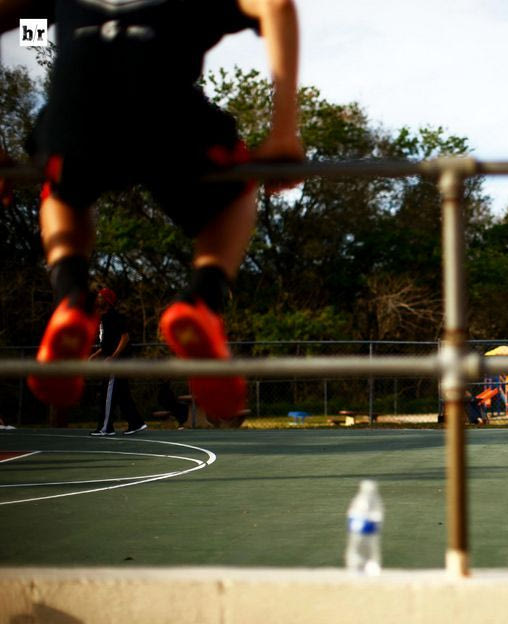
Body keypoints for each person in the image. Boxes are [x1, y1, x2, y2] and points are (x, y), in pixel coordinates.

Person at [0, 0, 303, 421]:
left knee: (62, 190)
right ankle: (203, 299)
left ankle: (71, 294)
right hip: (166, 111)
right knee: (236, 189)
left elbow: (19, 25)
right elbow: (277, 6)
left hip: (75, 117)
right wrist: (283, 131)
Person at [88, 288, 146, 436]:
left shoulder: (113, 316)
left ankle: (105, 428)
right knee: (122, 393)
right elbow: (107, 344)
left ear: (107, 301)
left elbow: (125, 338)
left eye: (100, 297)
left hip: (116, 363)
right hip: (113, 360)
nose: (98, 299)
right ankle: (136, 423)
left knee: (107, 394)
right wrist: (95, 355)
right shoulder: (104, 318)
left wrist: (113, 357)